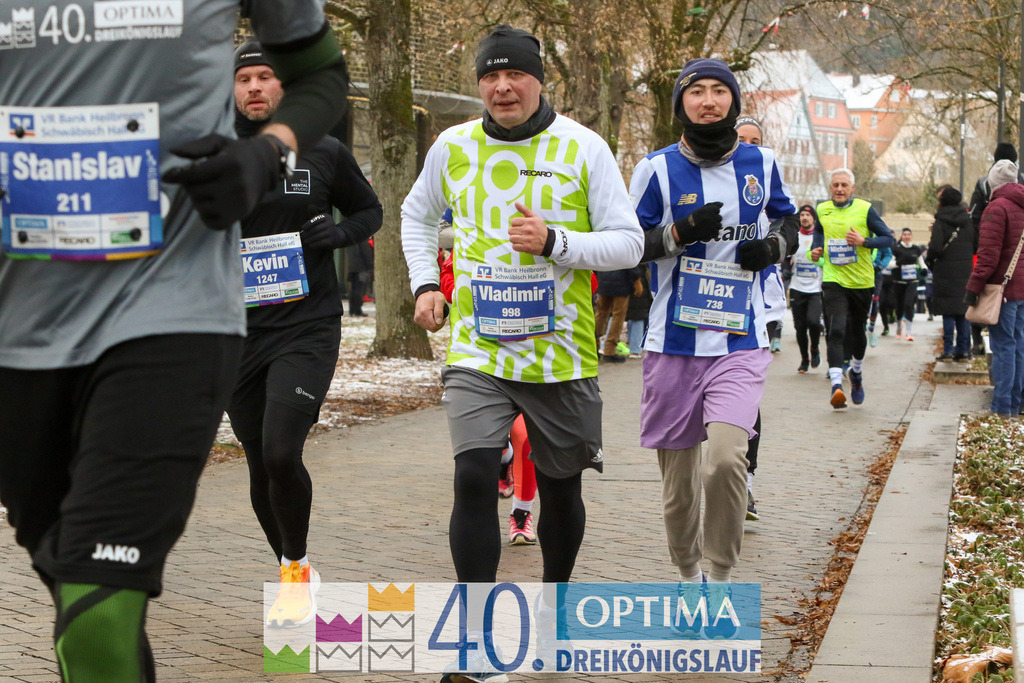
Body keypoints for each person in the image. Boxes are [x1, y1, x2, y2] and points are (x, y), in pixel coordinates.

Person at [0, 3, 348, 680]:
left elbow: (321, 75)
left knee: (99, 609)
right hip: (21, 325)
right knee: (81, 597)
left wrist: (266, 152)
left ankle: (293, 565)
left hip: (172, 309)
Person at [400, 24, 643, 677]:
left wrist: (558, 242)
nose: (502, 86)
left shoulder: (583, 147)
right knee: (474, 474)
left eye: (515, 74)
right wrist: (426, 283)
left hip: (561, 352)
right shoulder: (453, 146)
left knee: (561, 490)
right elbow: (416, 216)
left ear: (539, 80)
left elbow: (627, 242)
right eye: (490, 75)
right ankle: (477, 642)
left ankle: (554, 610)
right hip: (479, 346)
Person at [228, 42, 382, 628]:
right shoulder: (217, 154)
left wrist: (337, 235)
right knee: (258, 462)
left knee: (279, 450)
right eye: (244, 78)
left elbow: (369, 211)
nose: (254, 87)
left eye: (265, 76)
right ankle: (295, 568)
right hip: (236, 332)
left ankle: (293, 571)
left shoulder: (324, 150)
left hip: (305, 327)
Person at [630, 59, 798, 596]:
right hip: (672, 344)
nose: (709, 100)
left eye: (719, 91)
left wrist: (772, 247)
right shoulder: (655, 169)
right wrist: (678, 233)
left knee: (725, 462)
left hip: (739, 340)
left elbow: (789, 220)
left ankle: (721, 579)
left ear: (733, 101)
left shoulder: (761, 162)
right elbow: (628, 246)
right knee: (680, 488)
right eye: (696, 91)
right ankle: (688, 575)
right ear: (681, 103)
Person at [810, 169, 895, 408]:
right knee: (836, 330)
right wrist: (816, 249)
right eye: (835, 185)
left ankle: (856, 373)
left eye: (844, 185)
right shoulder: (822, 210)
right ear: (830, 187)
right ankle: (836, 386)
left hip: (861, 282)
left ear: (852, 188)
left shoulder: (865, 209)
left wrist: (864, 242)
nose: (839, 189)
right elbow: (819, 232)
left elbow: (888, 239)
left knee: (857, 332)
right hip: (833, 279)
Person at [966, 160, 1024, 416]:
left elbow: (988, 256)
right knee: (1018, 344)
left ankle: (1001, 406)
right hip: (1021, 288)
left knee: (1003, 347)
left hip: (1003, 289)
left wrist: (973, 287)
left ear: (993, 183)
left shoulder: (996, 208)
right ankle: (1015, 403)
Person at [927, 186, 975, 360]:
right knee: (963, 312)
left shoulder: (940, 222)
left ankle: (948, 350)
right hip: (965, 272)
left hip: (944, 272)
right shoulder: (968, 221)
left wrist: (930, 261)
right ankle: (964, 350)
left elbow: (935, 248)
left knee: (948, 313)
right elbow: (975, 245)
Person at [790, 205, 824, 372]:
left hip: (815, 288)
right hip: (797, 287)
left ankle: (815, 348)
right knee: (800, 327)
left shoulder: (819, 238)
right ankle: (804, 359)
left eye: (808, 215)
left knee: (814, 322)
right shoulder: (794, 236)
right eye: (802, 215)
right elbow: (785, 257)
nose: (804, 218)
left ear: (813, 219)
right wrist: (785, 269)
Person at [594, 266, 643, 362]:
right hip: (622, 284)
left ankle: (593, 346)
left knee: (601, 314)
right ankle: (609, 351)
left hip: (603, 282)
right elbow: (630, 262)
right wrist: (637, 279)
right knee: (618, 317)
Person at [892, 228, 925, 341]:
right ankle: (899, 325)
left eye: (909, 234)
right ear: (902, 236)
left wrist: (924, 269)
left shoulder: (916, 249)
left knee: (909, 304)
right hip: (899, 281)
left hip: (912, 280)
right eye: (905, 234)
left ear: (911, 236)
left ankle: (909, 332)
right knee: (899, 305)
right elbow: (889, 263)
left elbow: (921, 261)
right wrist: (897, 263)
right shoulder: (896, 249)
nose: (907, 236)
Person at [625, 265, 653, 357]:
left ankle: (631, 345)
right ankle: (635, 349)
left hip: (626, 287)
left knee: (631, 316)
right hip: (639, 287)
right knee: (638, 317)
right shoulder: (640, 266)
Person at [347, 239, 375, 316]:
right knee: (359, 289)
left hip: (352, 267)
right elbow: (366, 252)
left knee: (353, 289)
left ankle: (352, 309)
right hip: (361, 267)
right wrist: (370, 266)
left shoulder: (352, 239)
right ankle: (357, 310)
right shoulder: (362, 239)